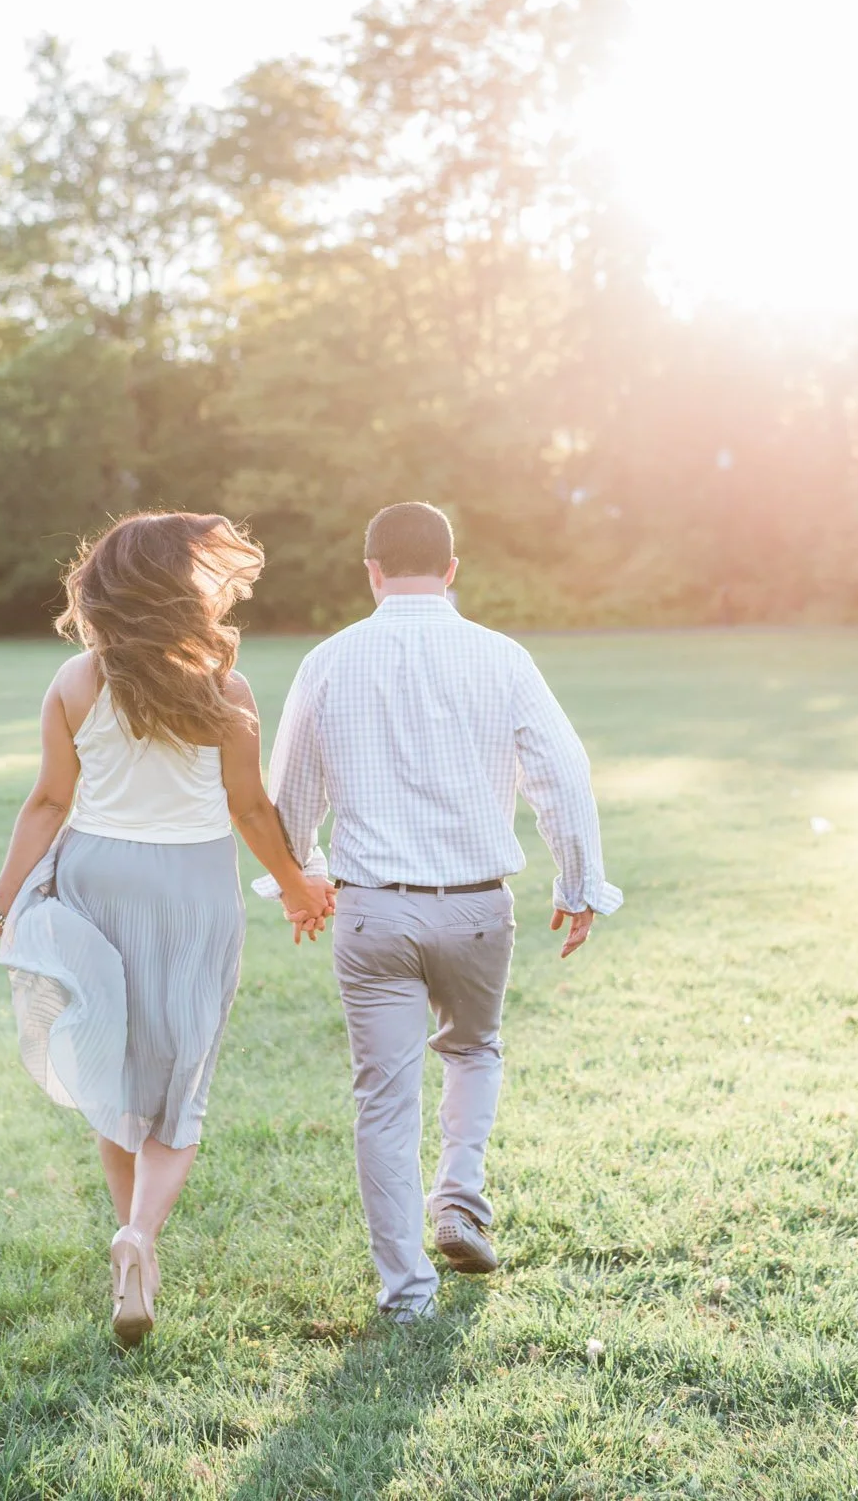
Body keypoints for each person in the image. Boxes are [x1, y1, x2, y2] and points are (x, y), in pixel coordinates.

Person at [0, 512, 333, 1346]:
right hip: (193, 886)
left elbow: (49, 801)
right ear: (178, 594)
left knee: (112, 1070)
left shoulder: (75, 681)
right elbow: (250, 808)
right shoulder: (224, 688)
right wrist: (300, 886)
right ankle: (140, 1238)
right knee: (179, 1079)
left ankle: (126, 1232)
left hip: (97, 875)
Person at [258, 501, 622, 1322]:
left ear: (373, 572)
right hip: (476, 910)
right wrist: (579, 885)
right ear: (452, 570)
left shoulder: (330, 659)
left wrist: (303, 878)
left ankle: (406, 1291)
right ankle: (458, 1198)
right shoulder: (501, 657)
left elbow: (290, 790)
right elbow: (563, 772)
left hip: (371, 913)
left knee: (383, 1102)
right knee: (472, 1049)